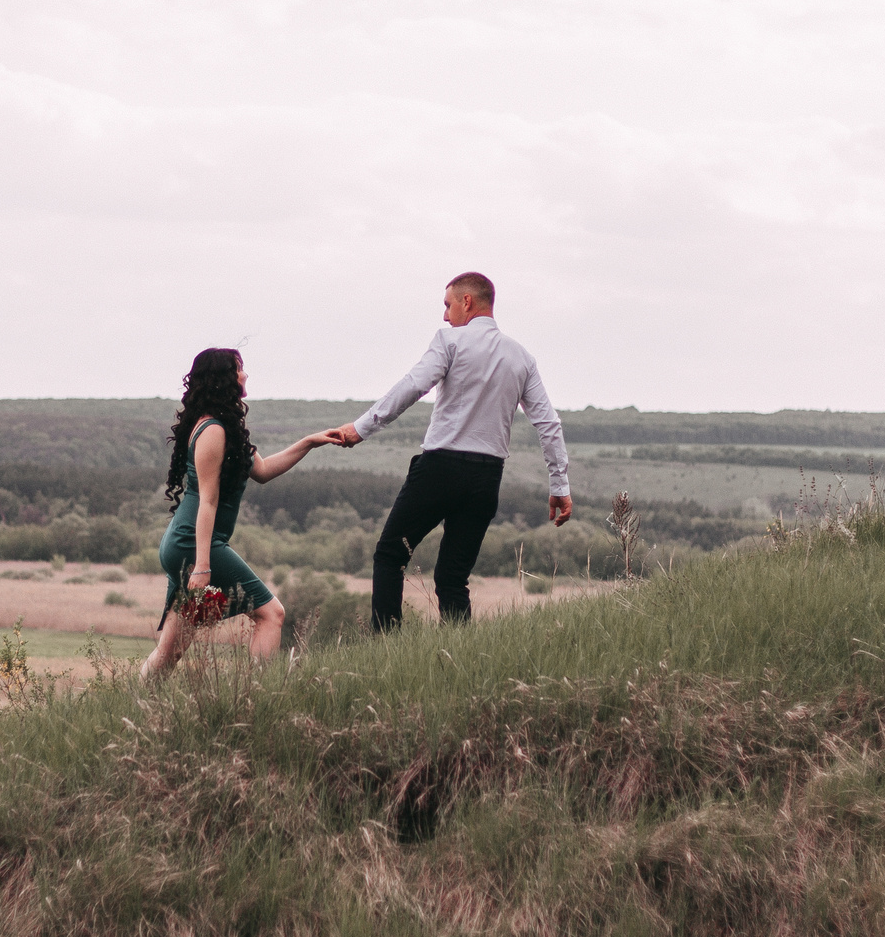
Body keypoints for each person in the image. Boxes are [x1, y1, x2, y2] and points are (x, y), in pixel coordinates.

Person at [325, 272, 571, 631]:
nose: (444, 315)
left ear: (467, 302)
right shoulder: (522, 358)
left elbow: (413, 386)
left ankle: (386, 649)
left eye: (447, 305)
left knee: (390, 555)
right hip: (487, 478)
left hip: (440, 469)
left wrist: (360, 428)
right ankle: (459, 653)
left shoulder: (449, 340)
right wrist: (559, 485)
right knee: (453, 577)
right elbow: (548, 423)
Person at [141, 347, 341, 678]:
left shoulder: (225, 427)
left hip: (188, 544)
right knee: (271, 614)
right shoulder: (213, 430)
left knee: (170, 651)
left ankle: (136, 704)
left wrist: (310, 442)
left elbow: (261, 470)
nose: (245, 375)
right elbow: (207, 501)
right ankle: (257, 696)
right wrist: (203, 566)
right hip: (195, 545)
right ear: (223, 379)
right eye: (239, 369)